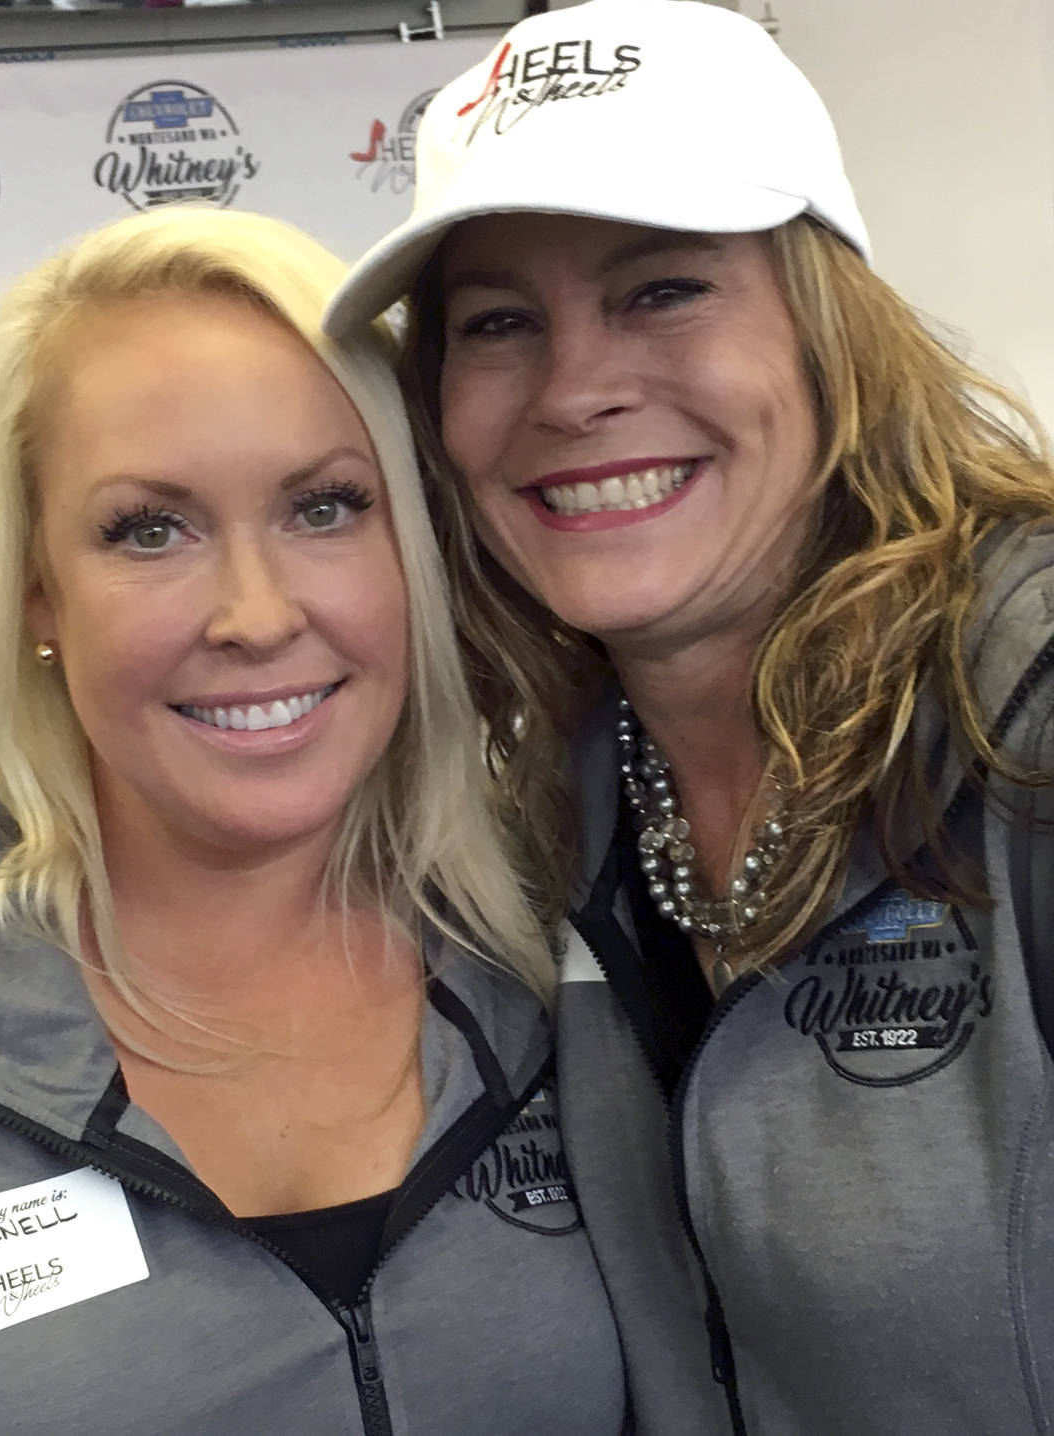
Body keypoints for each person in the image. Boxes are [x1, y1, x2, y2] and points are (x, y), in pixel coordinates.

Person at [0, 206, 628, 1435]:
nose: (254, 612)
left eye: (324, 505)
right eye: (149, 529)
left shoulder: (566, 923)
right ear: (33, 588)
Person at [325, 2, 1054, 1432]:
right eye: (497, 324)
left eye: (661, 289)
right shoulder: (555, 804)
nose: (577, 388)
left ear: (825, 325)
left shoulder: (1024, 711)